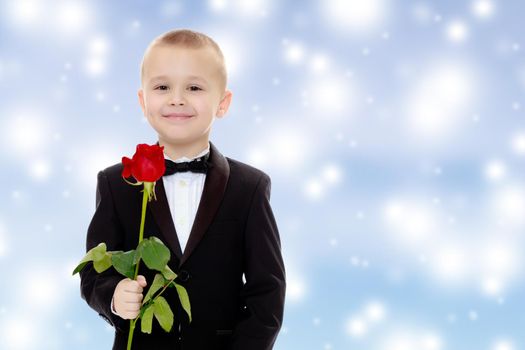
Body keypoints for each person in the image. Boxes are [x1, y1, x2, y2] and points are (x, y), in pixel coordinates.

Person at [79, 29, 286, 349]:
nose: (177, 98)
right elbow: (95, 273)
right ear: (142, 101)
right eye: (162, 87)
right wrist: (115, 298)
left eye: (194, 87)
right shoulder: (115, 182)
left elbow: (267, 291)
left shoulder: (251, 187)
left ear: (223, 102)